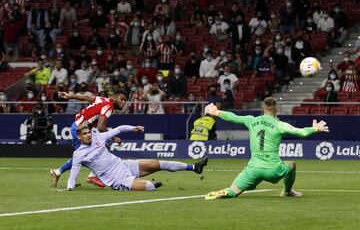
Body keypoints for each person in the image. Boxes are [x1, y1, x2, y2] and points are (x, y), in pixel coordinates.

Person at [204, 97, 329, 200]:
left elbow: (233, 117)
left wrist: (216, 112)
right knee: (292, 165)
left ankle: (224, 192)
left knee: (233, 191)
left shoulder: (251, 120)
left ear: (263, 108)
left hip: (253, 169)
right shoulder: (280, 125)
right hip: (273, 170)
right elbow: (301, 133)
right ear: (276, 110)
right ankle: (287, 192)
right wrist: (316, 128)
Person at [64, 123, 208, 191]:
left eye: (89, 132)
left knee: (158, 163)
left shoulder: (98, 137)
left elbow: (119, 129)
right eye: (85, 134)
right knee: (150, 187)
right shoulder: (79, 154)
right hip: (118, 179)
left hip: (125, 165)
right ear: (79, 136)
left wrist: (133, 128)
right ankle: (146, 183)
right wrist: (70, 188)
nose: (89, 135)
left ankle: (195, 167)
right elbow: (73, 175)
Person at [50, 90, 129, 188]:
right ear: (114, 98)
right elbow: (100, 127)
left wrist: (70, 96)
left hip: (80, 127)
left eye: (125, 101)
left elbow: (86, 98)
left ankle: (57, 172)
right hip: (80, 130)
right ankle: (91, 176)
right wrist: (113, 137)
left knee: (97, 150)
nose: (124, 102)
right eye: (122, 99)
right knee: (87, 154)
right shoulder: (108, 107)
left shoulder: (102, 99)